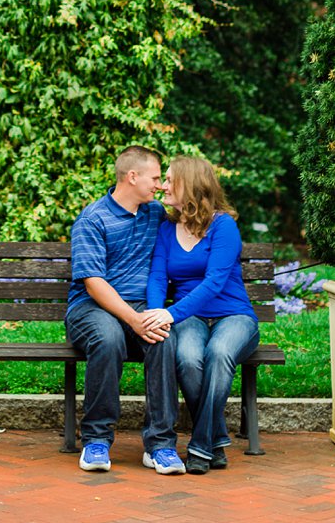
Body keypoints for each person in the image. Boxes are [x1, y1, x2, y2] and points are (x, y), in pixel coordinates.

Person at [65, 145, 186, 475]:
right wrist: (134, 320)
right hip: (91, 308)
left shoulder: (155, 213)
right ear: (132, 177)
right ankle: (96, 439)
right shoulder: (93, 219)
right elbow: (93, 283)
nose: (160, 185)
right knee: (108, 339)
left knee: (162, 338)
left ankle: (160, 445)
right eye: (156, 178)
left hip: (140, 307)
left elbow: (193, 221)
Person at [141, 155, 260, 475]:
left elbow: (215, 282)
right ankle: (215, 440)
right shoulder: (167, 228)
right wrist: (156, 313)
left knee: (219, 352)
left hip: (233, 316)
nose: (163, 186)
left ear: (190, 184)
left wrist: (170, 314)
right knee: (189, 358)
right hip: (190, 318)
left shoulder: (223, 226)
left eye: (169, 180)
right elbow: (157, 276)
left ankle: (200, 445)